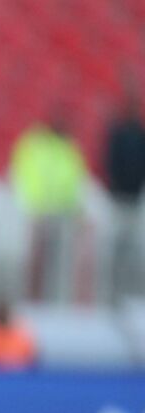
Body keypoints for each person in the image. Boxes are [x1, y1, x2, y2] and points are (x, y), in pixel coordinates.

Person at [9, 107, 89, 302]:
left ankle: (54, 300)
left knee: (58, 261)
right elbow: (20, 171)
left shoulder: (69, 148)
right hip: (36, 209)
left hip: (61, 212)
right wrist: (26, 200)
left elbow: (75, 180)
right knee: (36, 259)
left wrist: (75, 207)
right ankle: (31, 299)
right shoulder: (35, 143)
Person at [103, 89, 145, 300]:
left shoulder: (141, 135)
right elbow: (110, 162)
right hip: (118, 199)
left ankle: (129, 293)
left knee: (132, 249)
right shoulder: (118, 133)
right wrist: (115, 186)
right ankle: (113, 293)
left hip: (135, 199)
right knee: (116, 247)